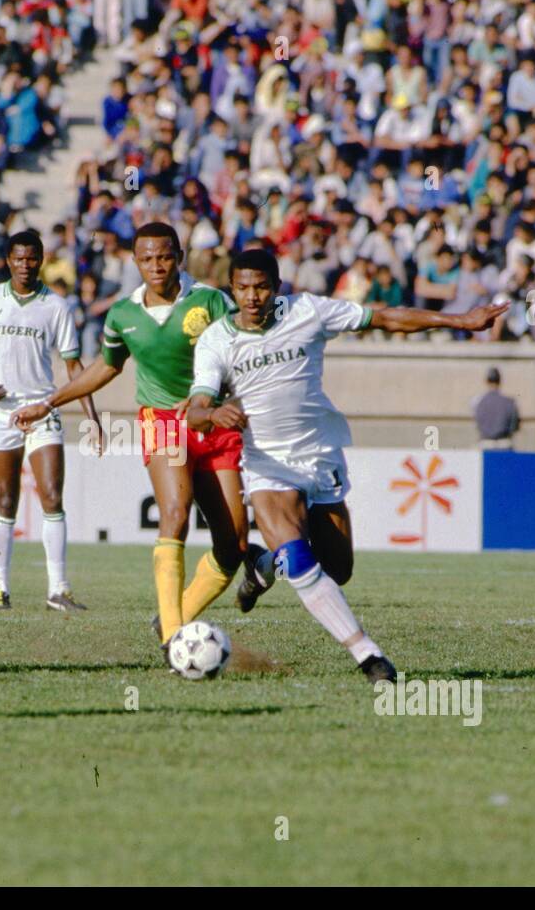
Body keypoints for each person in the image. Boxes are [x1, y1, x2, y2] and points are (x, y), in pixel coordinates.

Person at [182, 248, 506, 684]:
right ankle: (369, 657)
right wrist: (213, 415)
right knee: (298, 560)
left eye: (260, 286)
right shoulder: (217, 340)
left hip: (321, 455)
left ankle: (262, 567)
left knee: (337, 571)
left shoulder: (309, 311)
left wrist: (460, 321)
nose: (252, 296)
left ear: (277, 287)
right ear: (232, 289)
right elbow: (196, 409)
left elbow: (386, 318)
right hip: (268, 464)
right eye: (242, 288)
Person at [12, 222, 271, 650]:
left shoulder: (210, 301)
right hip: (164, 421)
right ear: (135, 261)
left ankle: (174, 618)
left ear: (179, 257)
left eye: (165, 256)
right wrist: (50, 402)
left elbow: (245, 354)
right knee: (175, 512)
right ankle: (174, 640)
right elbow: (106, 366)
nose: (157, 266)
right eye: (147, 258)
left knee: (233, 543)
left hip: (214, 422)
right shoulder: (123, 314)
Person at [0, 231, 98, 612]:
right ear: (8, 260)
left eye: (32, 259)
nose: (25, 265)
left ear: (41, 260)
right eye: (18, 259)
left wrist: (92, 416)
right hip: (2, 411)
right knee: (6, 499)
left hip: (43, 410)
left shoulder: (56, 306)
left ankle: (58, 589)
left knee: (52, 496)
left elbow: (74, 366)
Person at [473, 367, 520, 448]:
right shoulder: (509, 402)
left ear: (487, 381)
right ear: (500, 381)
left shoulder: (478, 401)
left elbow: (478, 423)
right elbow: (515, 425)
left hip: (485, 443)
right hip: (504, 443)